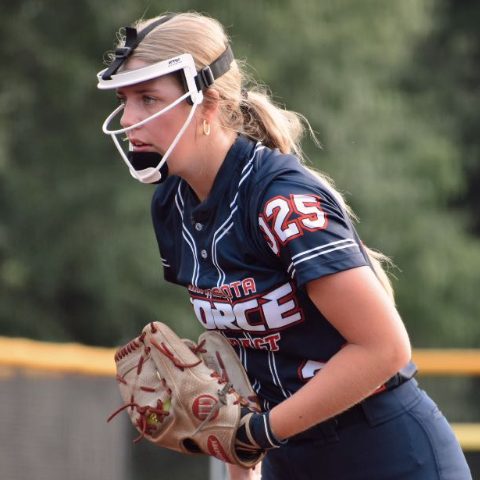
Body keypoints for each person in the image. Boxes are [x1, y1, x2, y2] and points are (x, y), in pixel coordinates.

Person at [96, 11, 472, 480]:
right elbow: (240, 354)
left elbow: (385, 348)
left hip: (386, 454)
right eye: (125, 99)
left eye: (148, 98)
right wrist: (241, 459)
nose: (129, 118)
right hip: (288, 455)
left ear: (207, 104)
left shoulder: (279, 201)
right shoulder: (172, 203)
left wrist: (259, 433)